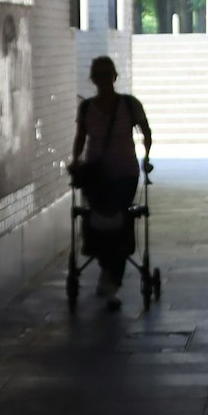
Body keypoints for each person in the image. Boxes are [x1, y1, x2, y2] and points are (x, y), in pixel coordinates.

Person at [71, 57, 153, 308]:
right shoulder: (86, 108)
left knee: (117, 222)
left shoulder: (129, 104)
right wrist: (75, 162)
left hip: (125, 173)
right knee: (99, 221)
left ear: (114, 77)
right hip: (95, 175)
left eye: (107, 74)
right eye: (100, 75)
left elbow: (146, 132)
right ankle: (108, 271)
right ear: (93, 79)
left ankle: (111, 281)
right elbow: (80, 138)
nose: (104, 79)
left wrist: (146, 157)